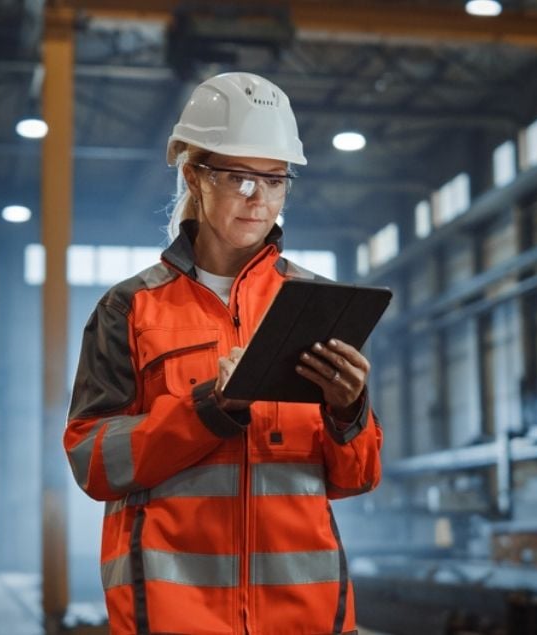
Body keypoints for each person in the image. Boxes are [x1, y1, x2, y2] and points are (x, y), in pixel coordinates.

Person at [63, 71, 383, 635]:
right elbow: (92, 462)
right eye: (238, 176)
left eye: (275, 179)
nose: (258, 198)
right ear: (194, 176)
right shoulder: (131, 308)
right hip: (172, 616)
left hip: (304, 617)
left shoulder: (317, 304)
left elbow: (355, 478)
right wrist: (207, 410)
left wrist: (348, 411)